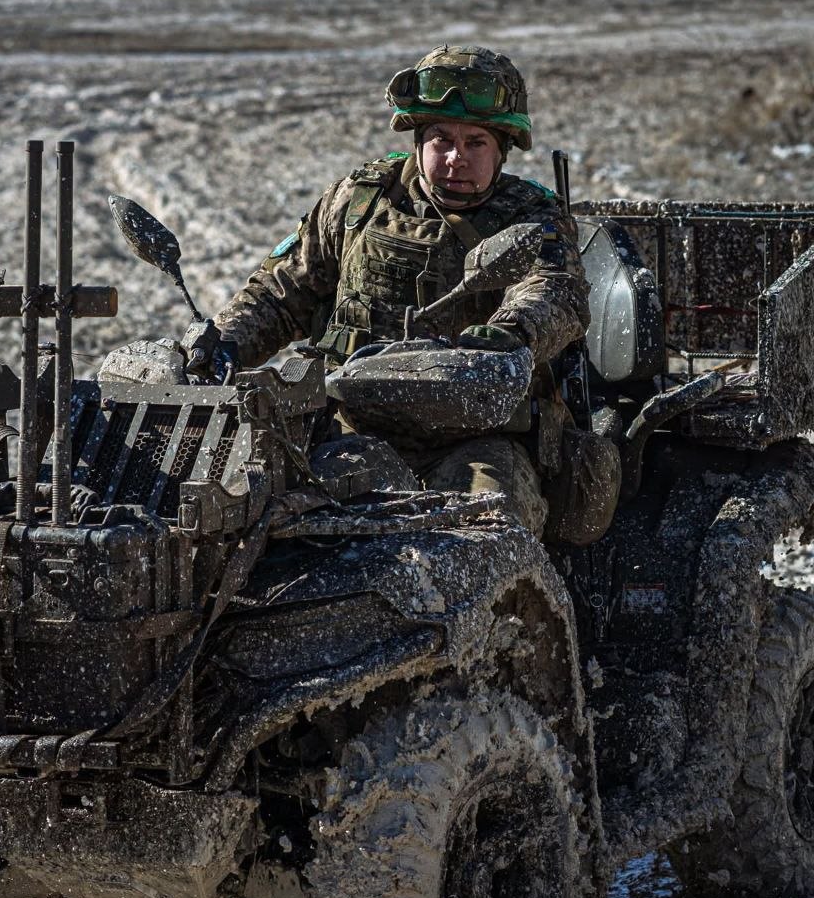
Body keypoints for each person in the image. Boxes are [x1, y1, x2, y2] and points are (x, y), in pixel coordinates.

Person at [185, 45, 591, 536]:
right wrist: (223, 343)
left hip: (479, 437)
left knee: (490, 527)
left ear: (502, 148)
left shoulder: (533, 217)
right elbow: (280, 291)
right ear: (418, 140)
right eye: (441, 139)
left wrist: (513, 331)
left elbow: (556, 292)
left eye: (476, 142)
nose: (455, 158)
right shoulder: (359, 199)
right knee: (301, 531)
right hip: (356, 427)